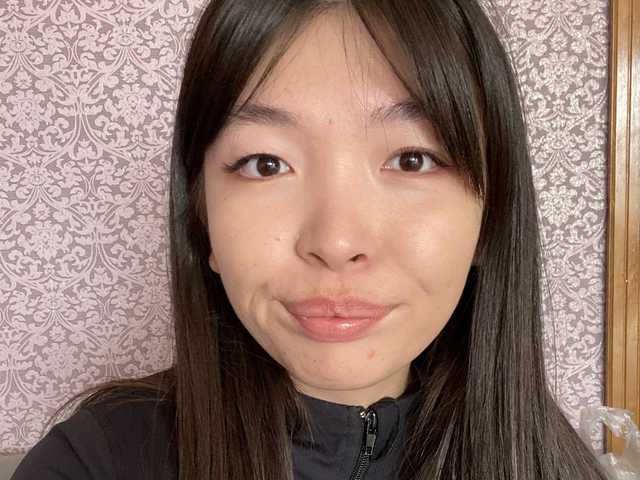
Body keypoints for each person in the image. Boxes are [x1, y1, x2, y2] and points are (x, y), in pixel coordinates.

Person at [11, 0, 609, 479]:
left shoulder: (554, 463)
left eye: (412, 158)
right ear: (202, 218)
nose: (336, 241)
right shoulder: (95, 461)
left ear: (488, 216)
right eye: (266, 164)